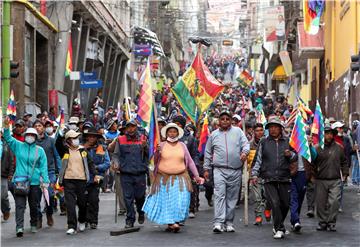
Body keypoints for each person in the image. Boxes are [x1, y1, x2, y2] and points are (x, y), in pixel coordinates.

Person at [142, 123, 203, 232]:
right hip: (163, 179)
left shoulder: (183, 145)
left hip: (181, 178)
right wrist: (157, 153)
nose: (172, 133)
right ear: (166, 133)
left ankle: (176, 221)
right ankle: (172, 223)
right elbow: (154, 162)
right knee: (168, 202)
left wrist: (197, 176)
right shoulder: (161, 145)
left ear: (178, 133)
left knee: (181, 200)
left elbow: (190, 162)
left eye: (174, 131)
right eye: (170, 131)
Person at [203, 110, 250, 233]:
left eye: (227, 119)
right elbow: (208, 152)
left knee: (232, 198)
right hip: (219, 169)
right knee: (219, 195)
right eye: (222, 119)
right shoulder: (213, 135)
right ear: (219, 121)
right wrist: (206, 168)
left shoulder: (238, 132)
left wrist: (245, 153)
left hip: (235, 170)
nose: (224, 121)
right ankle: (218, 222)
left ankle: (229, 222)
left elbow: (246, 145)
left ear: (230, 121)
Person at [251, 117, 297, 239]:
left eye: (276, 127)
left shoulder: (288, 141)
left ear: (280, 129)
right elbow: (258, 159)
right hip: (269, 178)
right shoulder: (263, 142)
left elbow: (295, 156)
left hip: (284, 177)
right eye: (271, 127)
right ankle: (279, 228)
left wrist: (290, 154)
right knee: (275, 203)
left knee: (285, 204)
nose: (273, 129)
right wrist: (254, 174)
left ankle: (278, 223)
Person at [3, 117, 49, 237]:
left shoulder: (40, 151)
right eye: (28, 135)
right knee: (20, 206)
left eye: (32, 135)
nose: (30, 137)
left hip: (34, 183)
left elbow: (43, 167)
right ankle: (19, 227)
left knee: (34, 205)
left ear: (35, 138)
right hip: (19, 181)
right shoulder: (18, 146)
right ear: (25, 136)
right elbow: (8, 138)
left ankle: (33, 224)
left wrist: (45, 181)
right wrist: (6, 127)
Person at [56, 130, 96, 235]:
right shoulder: (64, 150)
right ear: (68, 141)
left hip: (82, 180)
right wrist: (60, 134)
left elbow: (90, 163)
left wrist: (95, 174)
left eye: (77, 138)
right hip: (68, 180)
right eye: (73, 138)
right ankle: (72, 226)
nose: (76, 140)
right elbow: (57, 144)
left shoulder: (83, 150)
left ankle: (82, 220)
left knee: (82, 203)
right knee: (70, 204)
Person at [311, 124, 348, 232]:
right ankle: (322, 222)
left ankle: (331, 222)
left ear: (333, 135)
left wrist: (345, 173)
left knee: (335, 202)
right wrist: (312, 176)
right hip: (320, 179)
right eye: (326, 133)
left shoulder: (339, 147)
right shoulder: (317, 148)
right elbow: (311, 163)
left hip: (335, 179)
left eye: (330, 133)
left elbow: (344, 162)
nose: (329, 136)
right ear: (323, 135)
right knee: (320, 203)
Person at [112, 120, 148, 228]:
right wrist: (116, 163)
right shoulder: (120, 139)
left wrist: (145, 147)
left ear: (136, 127)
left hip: (140, 173)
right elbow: (116, 155)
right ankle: (130, 219)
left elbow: (150, 155)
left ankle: (141, 212)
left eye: (133, 127)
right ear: (126, 128)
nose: (131, 129)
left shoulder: (143, 139)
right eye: (129, 127)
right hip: (126, 173)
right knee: (128, 198)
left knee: (140, 196)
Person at [33, 119, 61, 228]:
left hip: (49, 171)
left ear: (43, 128)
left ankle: (49, 214)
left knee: (49, 194)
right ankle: (39, 217)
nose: (37, 128)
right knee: (36, 197)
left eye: (39, 125)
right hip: (35, 173)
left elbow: (57, 156)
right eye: (35, 126)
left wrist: (59, 171)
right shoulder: (31, 142)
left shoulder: (51, 141)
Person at [172, 115, 200, 218]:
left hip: (186, 169)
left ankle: (191, 208)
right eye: (175, 124)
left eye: (179, 124)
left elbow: (194, 154)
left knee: (189, 189)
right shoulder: (168, 137)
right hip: (172, 169)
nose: (176, 126)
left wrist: (195, 167)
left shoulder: (190, 138)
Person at [83, 127, 110, 229]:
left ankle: (94, 221)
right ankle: (84, 219)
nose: (91, 138)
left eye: (93, 136)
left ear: (96, 138)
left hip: (97, 177)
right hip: (83, 177)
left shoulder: (102, 148)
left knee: (94, 200)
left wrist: (97, 167)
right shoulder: (81, 148)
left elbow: (107, 163)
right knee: (83, 200)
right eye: (89, 136)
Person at [248, 123, 271, 226]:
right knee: (257, 197)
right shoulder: (249, 145)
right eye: (257, 130)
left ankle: (267, 209)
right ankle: (258, 216)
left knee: (268, 196)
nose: (259, 132)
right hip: (256, 173)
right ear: (254, 132)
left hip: (268, 173)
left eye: (261, 130)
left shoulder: (268, 143)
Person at [1, 132, 14, 221]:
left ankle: (6, 210)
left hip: (3, 173)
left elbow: (11, 159)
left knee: (3, 195)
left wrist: (10, 173)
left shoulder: (6, 144)